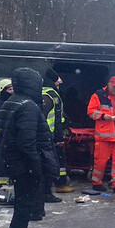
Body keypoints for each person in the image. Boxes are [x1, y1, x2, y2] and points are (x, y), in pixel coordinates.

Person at [0, 68, 59, 228]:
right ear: (32, 84)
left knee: (22, 212)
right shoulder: (29, 106)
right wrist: (36, 167)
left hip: (15, 164)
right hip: (26, 167)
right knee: (22, 213)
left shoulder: (12, 102)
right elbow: (26, 142)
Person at [87, 76, 115, 193]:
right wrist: (103, 116)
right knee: (100, 161)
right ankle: (96, 182)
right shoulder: (98, 95)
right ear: (108, 84)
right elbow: (91, 111)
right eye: (114, 87)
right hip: (104, 136)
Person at [42, 68, 73, 201]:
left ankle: (47, 190)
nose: (59, 84)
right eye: (58, 82)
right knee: (53, 162)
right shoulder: (53, 95)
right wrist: (59, 137)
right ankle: (50, 190)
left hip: (44, 135)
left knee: (45, 163)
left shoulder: (40, 92)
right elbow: (57, 119)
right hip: (51, 136)